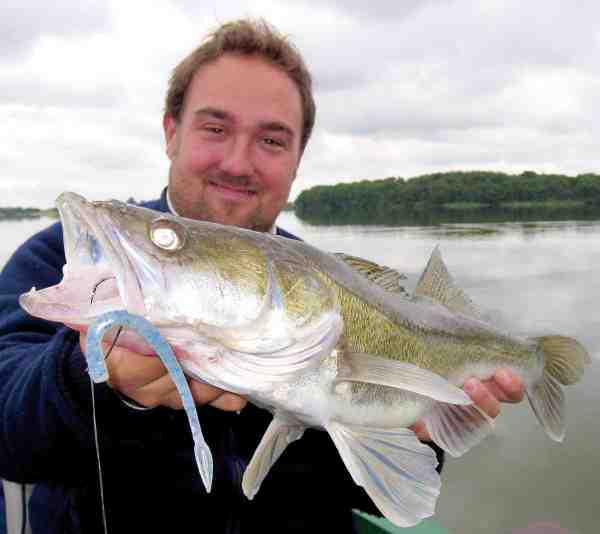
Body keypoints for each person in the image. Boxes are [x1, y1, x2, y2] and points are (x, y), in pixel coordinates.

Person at [0, 19, 523, 534]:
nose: (238, 162)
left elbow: (373, 499)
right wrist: (90, 379)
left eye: (272, 140)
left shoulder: (325, 289)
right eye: (215, 128)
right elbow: (8, 433)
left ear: (298, 160)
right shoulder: (64, 265)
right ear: (170, 132)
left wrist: (426, 433)